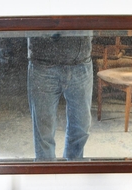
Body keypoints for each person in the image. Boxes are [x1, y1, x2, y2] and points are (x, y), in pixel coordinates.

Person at [27, 32, 93, 160]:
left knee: (81, 126)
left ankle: (73, 169)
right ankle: (46, 174)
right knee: (43, 129)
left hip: (80, 61)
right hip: (42, 63)